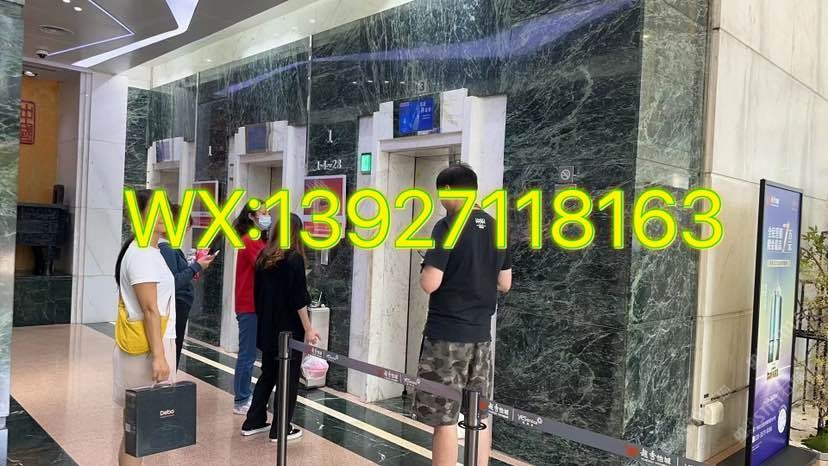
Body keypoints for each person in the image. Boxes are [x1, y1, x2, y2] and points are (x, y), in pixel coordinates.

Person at [416, 164, 512, 466]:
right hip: (481, 337)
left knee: (444, 418)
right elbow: (505, 283)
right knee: (478, 413)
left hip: (446, 337)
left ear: (448, 191)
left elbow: (430, 283)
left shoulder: (446, 226)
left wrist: (425, 265)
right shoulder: (496, 226)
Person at [241, 213, 320, 442]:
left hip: (267, 326)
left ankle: (253, 420)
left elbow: (258, 294)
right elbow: (299, 298)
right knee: (288, 378)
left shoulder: (263, 257)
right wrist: (308, 328)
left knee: (268, 373)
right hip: (288, 330)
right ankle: (280, 428)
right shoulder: (293, 258)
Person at [113, 189, 178, 466]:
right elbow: (150, 309)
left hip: (150, 346)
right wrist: (160, 356)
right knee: (140, 430)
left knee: (140, 430)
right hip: (148, 350)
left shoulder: (149, 251)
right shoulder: (141, 253)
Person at [158, 203, 216, 367]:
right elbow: (173, 281)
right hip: (176, 306)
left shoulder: (170, 248)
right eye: (185, 228)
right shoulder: (167, 249)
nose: (185, 233)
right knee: (172, 351)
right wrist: (196, 266)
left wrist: (192, 267)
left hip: (178, 307)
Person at [232, 201, 269, 415]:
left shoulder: (259, 240)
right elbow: (262, 265)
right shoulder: (249, 240)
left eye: (267, 212)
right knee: (246, 355)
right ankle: (241, 399)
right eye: (262, 213)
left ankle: (246, 394)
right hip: (248, 304)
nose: (266, 216)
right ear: (251, 216)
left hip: (257, 304)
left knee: (250, 354)